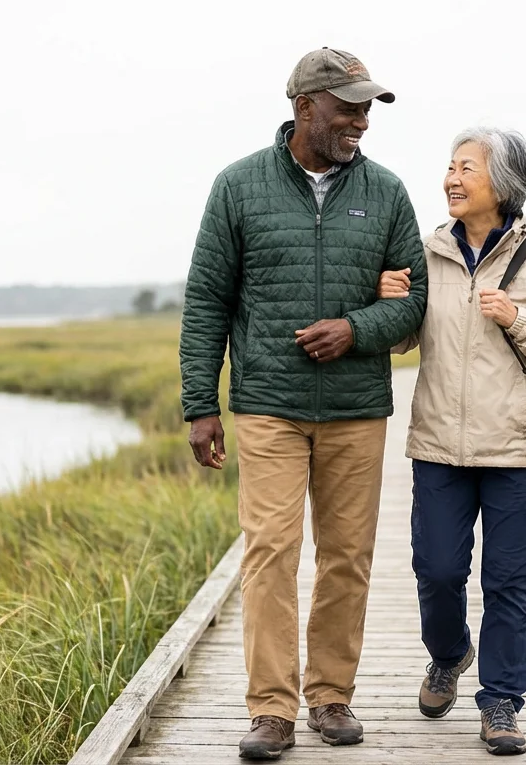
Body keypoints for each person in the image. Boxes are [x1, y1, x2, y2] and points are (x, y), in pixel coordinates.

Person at [179, 47, 427, 760]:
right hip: (267, 405)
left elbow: (416, 303)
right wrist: (201, 403)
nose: (361, 122)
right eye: (348, 107)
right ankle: (271, 710)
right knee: (270, 553)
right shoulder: (238, 186)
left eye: (366, 108)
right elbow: (206, 301)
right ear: (305, 106)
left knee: (347, 556)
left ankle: (330, 696)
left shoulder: (386, 192)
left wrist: (356, 329)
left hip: (356, 407)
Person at [377, 127, 526, 755]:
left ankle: (500, 703)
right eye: (449, 166)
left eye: (466, 167)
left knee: (508, 581)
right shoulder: (428, 251)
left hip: (519, 449)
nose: (451, 177)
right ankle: (448, 654)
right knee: (437, 569)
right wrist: (388, 302)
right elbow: (400, 341)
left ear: (502, 184)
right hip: (439, 443)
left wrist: (518, 317)